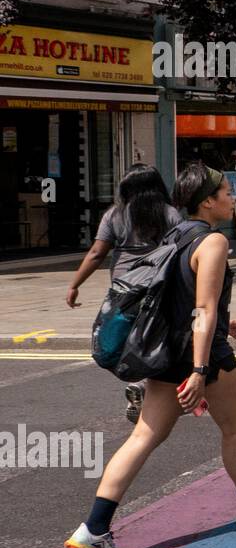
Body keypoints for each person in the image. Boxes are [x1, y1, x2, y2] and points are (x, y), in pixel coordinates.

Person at [63, 163, 236, 548]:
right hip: (200, 356)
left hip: (164, 354)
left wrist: (226, 324)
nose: (232, 198)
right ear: (207, 201)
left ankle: (93, 529)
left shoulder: (172, 236)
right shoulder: (212, 243)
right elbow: (204, 309)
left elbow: (181, 302)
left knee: (143, 437)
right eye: (226, 191)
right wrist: (200, 369)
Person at [66, 164, 184, 423]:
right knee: (155, 335)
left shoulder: (114, 215)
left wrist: (75, 284)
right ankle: (146, 385)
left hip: (124, 287)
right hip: (158, 285)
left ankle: (141, 381)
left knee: (126, 336)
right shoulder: (170, 214)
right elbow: (181, 251)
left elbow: (97, 253)